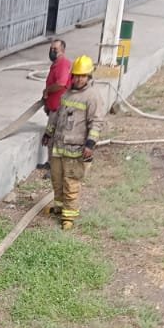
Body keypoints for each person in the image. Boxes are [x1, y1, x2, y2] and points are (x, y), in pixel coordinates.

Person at [41, 54, 104, 230]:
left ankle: (69, 216)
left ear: (89, 77)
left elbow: (96, 122)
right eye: (76, 75)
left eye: (82, 76)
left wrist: (90, 144)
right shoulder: (67, 93)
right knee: (57, 179)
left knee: (71, 182)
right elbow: (56, 115)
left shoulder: (92, 97)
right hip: (58, 148)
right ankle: (60, 208)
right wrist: (48, 133)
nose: (78, 79)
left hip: (75, 150)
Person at [38, 39, 71, 170]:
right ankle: (50, 163)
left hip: (59, 108)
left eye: (55, 49)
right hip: (54, 106)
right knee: (51, 137)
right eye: (51, 49)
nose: (52, 52)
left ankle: (54, 168)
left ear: (62, 50)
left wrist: (47, 91)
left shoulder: (62, 64)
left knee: (56, 138)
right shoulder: (56, 64)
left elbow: (61, 83)